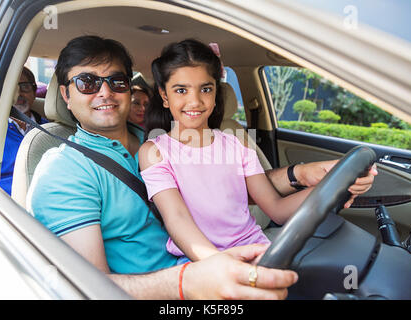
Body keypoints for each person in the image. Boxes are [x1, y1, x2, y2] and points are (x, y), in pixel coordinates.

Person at [26, 35, 300, 300]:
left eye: (117, 81)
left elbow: (225, 187)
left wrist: (298, 175)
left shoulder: (162, 140)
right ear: (65, 94)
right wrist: (188, 281)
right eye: (87, 82)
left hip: (218, 265)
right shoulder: (64, 171)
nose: (105, 92)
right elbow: (87, 287)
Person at [138, 39, 378, 264]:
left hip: (256, 249)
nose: (195, 101)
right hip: (199, 260)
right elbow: (177, 219)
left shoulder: (236, 145)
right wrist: (218, 264)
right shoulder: (155, 152)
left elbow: (277, 209)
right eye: (181, 90)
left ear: (215, 93)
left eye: (206, 89)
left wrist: (334, 186)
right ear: (164, 96)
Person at [0, 66, 48, 195]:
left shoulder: (51, 129)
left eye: (24, 86)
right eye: (11, 87)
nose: (19, 94)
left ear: (34, 91)